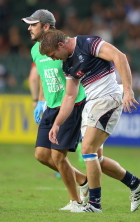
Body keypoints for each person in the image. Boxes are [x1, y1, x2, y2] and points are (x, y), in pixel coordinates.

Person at [39, 29, 140, 213]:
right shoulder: (67, 64)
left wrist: (128, 90)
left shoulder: (88, 44)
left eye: (53, 55)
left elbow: (119, 56)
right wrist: (57, 123)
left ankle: (94, 205)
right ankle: (135, 183)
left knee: (87, 150)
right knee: (97, 159)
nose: (54, 59)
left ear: (60, 45)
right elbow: (70, 96)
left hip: (108, 99)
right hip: (91, 104)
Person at [21, 10, 89, 211]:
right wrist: (40, 101)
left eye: (33, 24)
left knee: (58, 156)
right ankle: (82, 179)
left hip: (70, 105)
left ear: (46, 26)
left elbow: (77, 77)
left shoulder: (66, 47)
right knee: (41, 155)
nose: (29, 28)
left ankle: (76, 201)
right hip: (50, 106)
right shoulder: (35, 50)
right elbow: (43, 76)